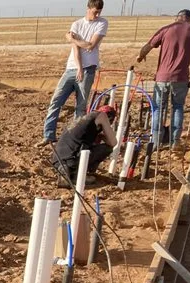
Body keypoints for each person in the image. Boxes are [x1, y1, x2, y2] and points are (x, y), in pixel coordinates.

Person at [40, 0, 109, 147]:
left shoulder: (102, 23)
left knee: (81, 106)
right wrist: (79, 67)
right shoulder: (76, 24)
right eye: (94, 11)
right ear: (88, 8)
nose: (97, 15)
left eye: (99, 12)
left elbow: (91, 45)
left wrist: (73, 39)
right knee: (56, 101)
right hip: (72, 68)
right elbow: (77, 49)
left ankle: (75, 139)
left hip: (89, 68)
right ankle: (48, 135)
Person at [137, 9, 190, 149]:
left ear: (177, 18)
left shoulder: (166, 29)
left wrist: (140, 56)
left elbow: (148, 46)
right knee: (178, 107)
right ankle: (174, 141)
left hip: (162, 78)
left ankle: (156, 141)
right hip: (181, 78)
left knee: (158, 109)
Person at [52, 105, 118, 185]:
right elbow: (113, 142)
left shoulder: (82, 121)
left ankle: (68, 171)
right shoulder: (102, 116)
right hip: (72, 159)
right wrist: (105, 133)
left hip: (57, 160)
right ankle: (78, 174)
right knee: (107, 148)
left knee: (85, 149)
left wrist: (100, 136)